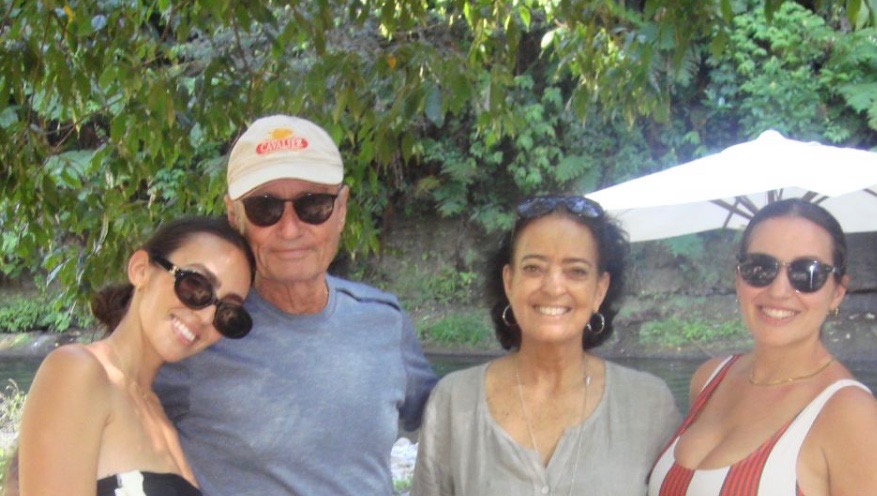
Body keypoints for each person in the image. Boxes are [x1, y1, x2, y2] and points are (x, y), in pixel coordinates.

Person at [154, 114, 438, 495]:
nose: (289, 229)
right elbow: (106, 406)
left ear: (341, 210)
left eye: (313, 205)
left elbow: (454, 420)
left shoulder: (383, 320)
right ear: (234, 216)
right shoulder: (200, 331)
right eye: (265, 208)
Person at [411, 194, 680, 496]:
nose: (553, 287)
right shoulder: (454, 401)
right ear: (509, 282)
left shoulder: (649, 405)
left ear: (599, 290)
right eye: (534, 268)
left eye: (576, 271)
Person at [648, 198, 877, 495]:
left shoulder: (851, 415)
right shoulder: (709, 378)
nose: (779, 290)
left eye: (806, 273)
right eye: (760, 268)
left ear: (837, 292)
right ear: (738, 278)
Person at [16, 216, 256, 496]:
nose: (205, 317)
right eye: (195, 285)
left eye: (227, 312)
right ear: (141, 270)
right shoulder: (79, 370)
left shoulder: (158, 413)